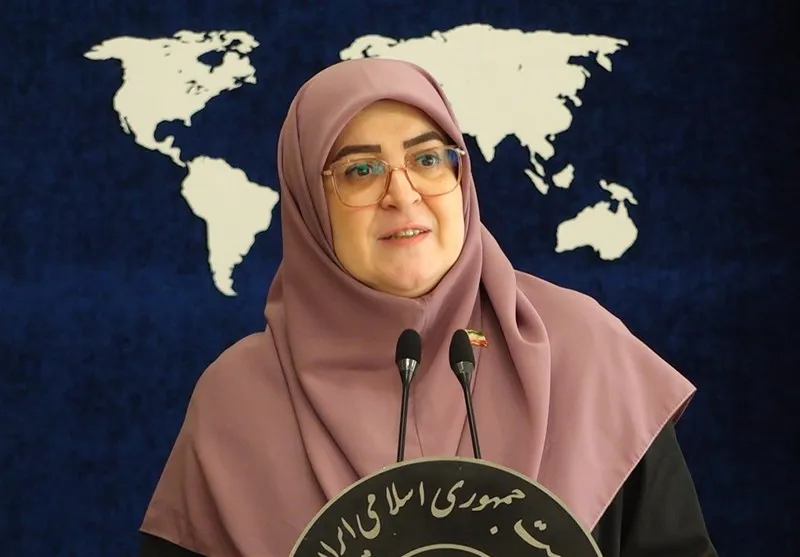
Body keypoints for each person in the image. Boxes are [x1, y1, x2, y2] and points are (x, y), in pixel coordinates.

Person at [138, 58, 717, 557]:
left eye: (429, 159)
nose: (403, 193)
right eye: (361, 170)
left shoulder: (585, 351)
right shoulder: (238, 402)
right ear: (309, 202)